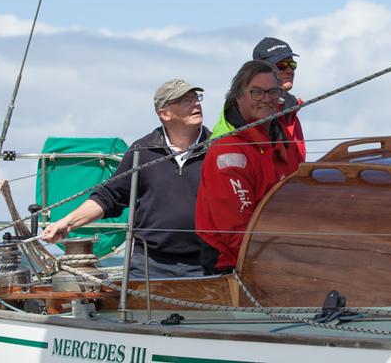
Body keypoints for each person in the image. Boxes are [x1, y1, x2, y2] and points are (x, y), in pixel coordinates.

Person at [42, 79, 211, 278]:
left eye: (196, 98)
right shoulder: (142, 150)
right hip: (150, 264)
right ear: (164, 113)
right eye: (185, 100)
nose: (196, 104)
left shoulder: (218, 148)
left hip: (206, 262)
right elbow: (109, 196)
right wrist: (67, 223)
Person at [195, 60, 301, 274]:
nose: (266, 99)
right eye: (256, 92)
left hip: (278, 259)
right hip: (232, 267)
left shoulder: (283, 146)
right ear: (238, 97)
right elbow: (235, 232)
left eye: (273, 91)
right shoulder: (228, 153)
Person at [211, 37, 306, 162]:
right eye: (282, 65)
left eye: (292, 65)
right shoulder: (240, 110)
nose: (289, 70)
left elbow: (297, 162)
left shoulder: (290, 108)